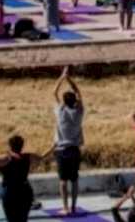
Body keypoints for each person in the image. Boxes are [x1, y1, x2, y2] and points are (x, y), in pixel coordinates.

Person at [0, 135, 51, 222]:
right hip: (25, 191)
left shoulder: (6, 158)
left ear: (10, 145)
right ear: (22, 145)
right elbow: (42, 157)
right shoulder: (28, 156)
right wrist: (53, 148)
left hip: (10, 193)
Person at [52, 66, 84, 215]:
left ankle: (65, 207)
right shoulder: (79, 112)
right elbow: (78, 93)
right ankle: (73, 206)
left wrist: (62, 77)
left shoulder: (60, 111)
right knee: (74, 179)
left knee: (63, 180)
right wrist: (70, 79)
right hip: (75, 149)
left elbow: (54, 92)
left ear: (64, 102)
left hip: (62, 150)